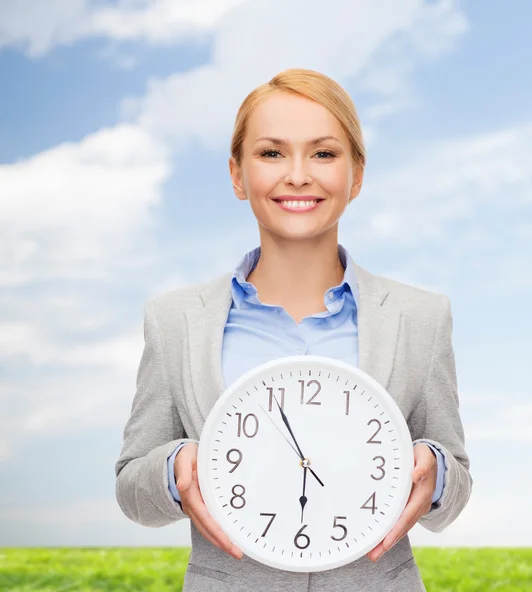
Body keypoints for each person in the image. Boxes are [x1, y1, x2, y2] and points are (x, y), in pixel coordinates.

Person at [115, 67, 472, 592]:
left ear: (357, 174)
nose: (298, 175)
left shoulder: (420, 317)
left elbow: (455, 485)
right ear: (238, 175)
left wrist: (436, 470)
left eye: (324, 153)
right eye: (272, 153)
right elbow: (131, 490)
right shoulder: (175, 320)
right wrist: (173, 467)